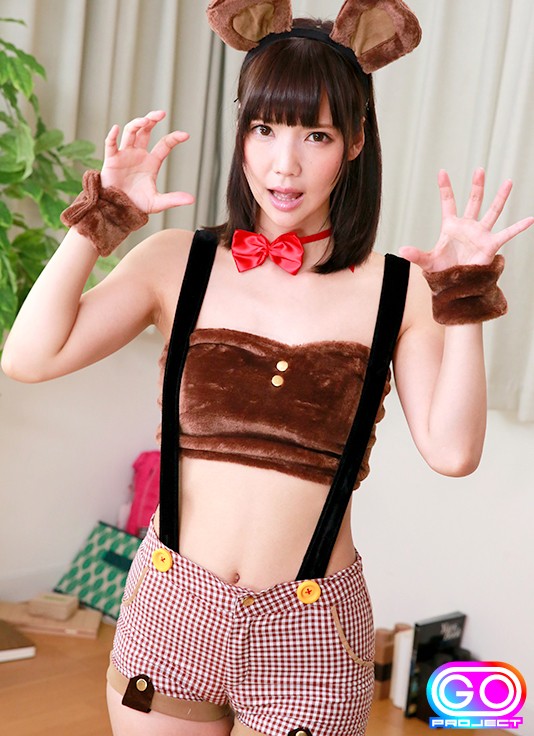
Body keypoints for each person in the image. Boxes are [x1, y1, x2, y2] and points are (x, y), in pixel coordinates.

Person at [2, 4, 533, 736]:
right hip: (171, 610)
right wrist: (103, 221)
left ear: (355, 142)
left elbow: (454, 451)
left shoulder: (398, 289)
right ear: (242, 134)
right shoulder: (177, 261)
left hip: (311, 632)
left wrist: (462, 300)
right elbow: (28, 357)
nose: (285, 164)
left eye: (316, 135)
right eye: (265, 129)